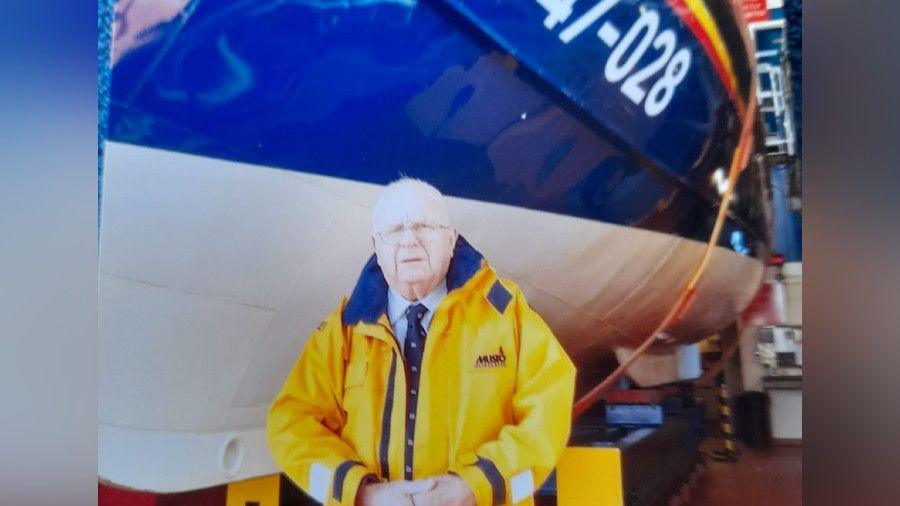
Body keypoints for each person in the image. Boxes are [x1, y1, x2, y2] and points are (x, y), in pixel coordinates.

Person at [267, 178, 576, 506]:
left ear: (452, 237)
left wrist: (474, 488)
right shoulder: (345, 328)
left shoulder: (503, 313)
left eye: (424, 226)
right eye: (395, 230)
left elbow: (549, 411)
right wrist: (362, 493)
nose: (409, 240)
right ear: (377, 245)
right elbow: (291, 425)